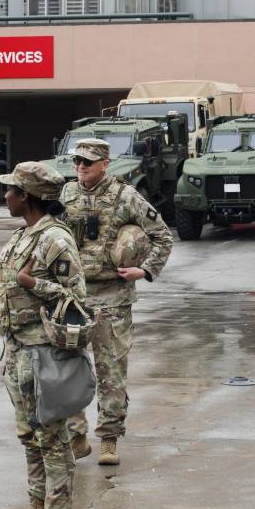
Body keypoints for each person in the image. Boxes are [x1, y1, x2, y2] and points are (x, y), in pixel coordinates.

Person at [0, 161, 87, 509]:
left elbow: (78, 300)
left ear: (26, 196)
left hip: (43, 353)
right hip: (18, 350)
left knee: (52, 437)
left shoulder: (54, 239)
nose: (6, 196)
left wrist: (34, 284)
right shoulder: (25, 234)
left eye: (11, 190)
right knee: (30, 435)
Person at [62, 138, 173, 466]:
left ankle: (109, 437)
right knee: (68, 367)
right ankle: (76, 433)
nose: (81, 167)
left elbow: (162, 236)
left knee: (110, 369)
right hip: (73, 296)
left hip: (112, 296)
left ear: (105, 164)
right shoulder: (65, 194)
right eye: (78, 161)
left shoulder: (126, 196)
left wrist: (145, 270)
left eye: (88, 162)